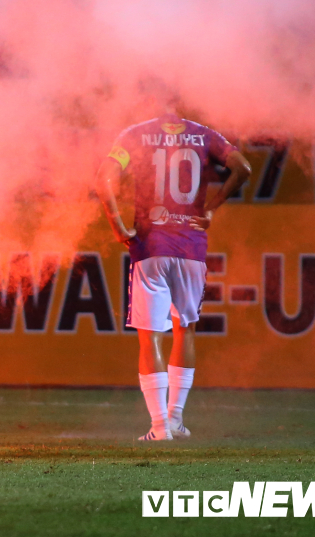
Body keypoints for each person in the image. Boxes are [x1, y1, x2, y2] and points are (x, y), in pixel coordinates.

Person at [96, 105, 250, 441]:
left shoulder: (134, 134)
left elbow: (103, 178)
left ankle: (159, 427)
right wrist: (212, 206)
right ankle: (176, 420)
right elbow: (243, 168)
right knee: (186, 329)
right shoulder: (205, 135)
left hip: (151, 246)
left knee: (150, 335)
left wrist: (118, 224)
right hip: (192, 246)